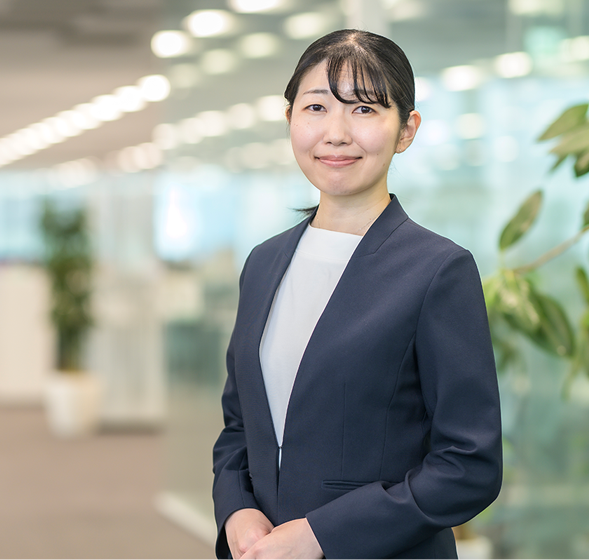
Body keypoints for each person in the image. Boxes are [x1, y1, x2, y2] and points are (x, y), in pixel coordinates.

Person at [212, 29, 502, 559]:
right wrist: (237, 509)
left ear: (406, 129)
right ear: (290, 119)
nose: (336, 133)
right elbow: (240, 426)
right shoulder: (263, 263)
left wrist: (320, 536)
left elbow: (468, 465)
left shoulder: (438, 271)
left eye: (364, 109)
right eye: (316, 107)